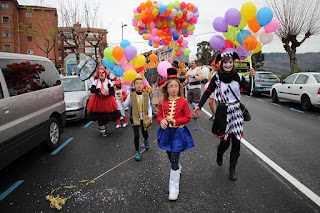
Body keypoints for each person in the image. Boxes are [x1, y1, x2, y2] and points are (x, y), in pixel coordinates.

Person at [193, 52, 255, 181]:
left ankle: (232, 169)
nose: (228, 65)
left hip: (237, 111)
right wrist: (199, 106)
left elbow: (250, 90)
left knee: (236, 141)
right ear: (222, 63)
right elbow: (208, 92)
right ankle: (220, 152)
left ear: (233, 63)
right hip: (223, 111)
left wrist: (252, 77)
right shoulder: (216, 77)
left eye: (230, 62)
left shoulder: (238, 76)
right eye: (225, 62)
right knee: (225, 142)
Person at [157, 68, 194, 201]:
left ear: (179, 88)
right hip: (166, 133)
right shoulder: (162, 102)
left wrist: (175, 120)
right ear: (166, 88)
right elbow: (159, 115)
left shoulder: (183, 102)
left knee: (173, 160)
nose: (173, 88)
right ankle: (177, 167)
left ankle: (174, 188)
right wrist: (161, 121)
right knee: (170, 156)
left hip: (178, 133)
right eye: (170, 86)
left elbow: (188, 117)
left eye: (176, 86)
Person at [121, 78, 152, 161]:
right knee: (137, 135)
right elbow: (125, 106)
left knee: (145, 133)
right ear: (134, 85)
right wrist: (121, 101)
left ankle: (146, 140)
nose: (139, 85)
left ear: (143, 85)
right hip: (134, 118)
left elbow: (149, 106)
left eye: (140, 83)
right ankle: (137, 151)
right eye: (137, 83)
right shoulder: (131, 95)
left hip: (144, 118)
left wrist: (150, 116)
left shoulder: (146, 95)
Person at [86, 67, 121, 137]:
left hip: (107, 100)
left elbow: (111, 91)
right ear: (98, 74)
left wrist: (108, 94)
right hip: (98, 101)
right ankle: (102, 130)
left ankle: (104, 125)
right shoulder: (95, 82)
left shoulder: (108, 81)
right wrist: (98, 91)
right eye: (100, 72)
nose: (101, 74)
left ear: (105, 73)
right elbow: (92, 89)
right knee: (100, 116)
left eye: (103, 72)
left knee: (107, 116)